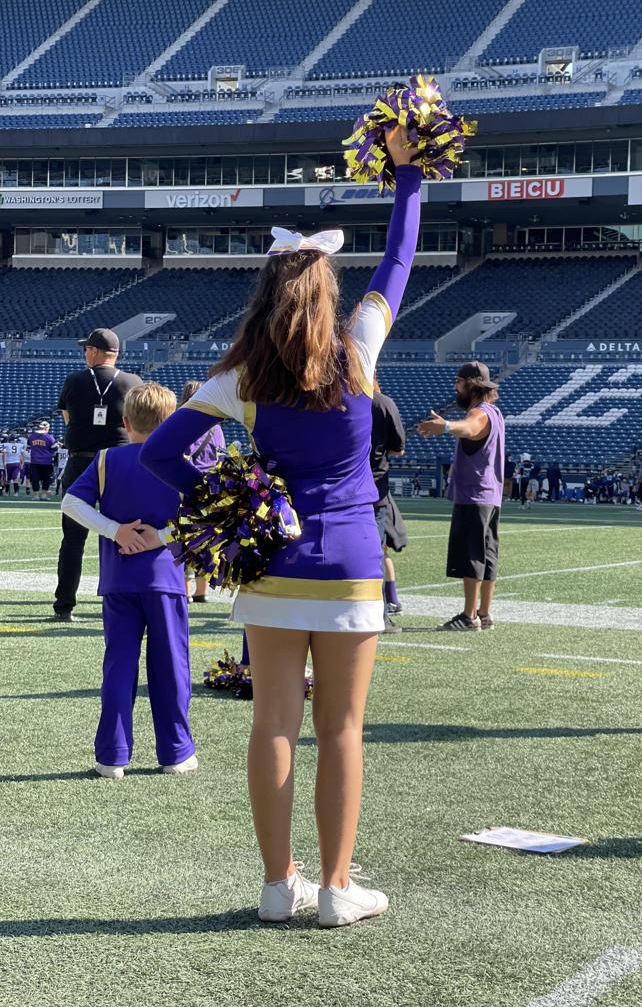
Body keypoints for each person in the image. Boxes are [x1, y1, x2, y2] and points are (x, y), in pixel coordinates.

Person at [140, 127, 421, 927]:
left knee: (273, 723)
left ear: (265, 294)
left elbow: (159, 454)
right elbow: (399, 259)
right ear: (326, 293)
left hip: (271, 562)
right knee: (342, 729)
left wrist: (230, 497)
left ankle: (276, 885)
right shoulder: (358, 349)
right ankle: (336, 889)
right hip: (353, 563)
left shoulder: (241, 375)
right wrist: (408, 176)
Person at [61, 382, 197, 777]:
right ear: (171, 422)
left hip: (118, 580)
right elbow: (203, 517)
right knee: (171, 667)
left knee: (119, 667)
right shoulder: (179, 462)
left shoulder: (106, 459)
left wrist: (115, 530)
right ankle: (175, 753)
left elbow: (71, 502)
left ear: (125, 421)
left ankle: (112, 756)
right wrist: (162, 537)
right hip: (166, 580)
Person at [53, 328, 142, 622]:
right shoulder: (132, 382)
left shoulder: (74, 380)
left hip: (81, 462)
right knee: (125, 532)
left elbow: (68, 418)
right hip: (118, 463)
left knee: (73, 538)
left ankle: (64, 605)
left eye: (86, 350)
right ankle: (127, 603)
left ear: (93, 351)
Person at [417, 360, 504, 631]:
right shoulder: (496, 412)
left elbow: (470, 427)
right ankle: (484, 613)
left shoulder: (480, 413)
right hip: (490, 495)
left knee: (472, 556)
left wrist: (445, 426)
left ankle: (469, 616)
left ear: (470, 384)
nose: (455, 387)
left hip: (474, 496)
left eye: (458, 381)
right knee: (487, 555)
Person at [179, 380, 226, 605]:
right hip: (213, 488)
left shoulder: (184, 423)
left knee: (185, 539)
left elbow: (182, 454)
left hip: (190, 485)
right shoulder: (216, 426)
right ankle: (202, 591)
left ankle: (185, 590)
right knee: (207, 540)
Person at [371, 377, 406, 629]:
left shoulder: (334, 400)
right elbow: (398, 447)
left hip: (339, 488)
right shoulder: (382, 403)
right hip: (374, 490)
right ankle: (379, 614)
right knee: (375, 555)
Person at [27, 421, 58, 501]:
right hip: (47, 461)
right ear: (46, 428)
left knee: (35, 479)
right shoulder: (49, 437)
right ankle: (44, 495)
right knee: (46, 479)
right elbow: (55, 449)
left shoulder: (31, 437)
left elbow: (29, 447)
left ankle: (36, 496)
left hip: (34, 461)